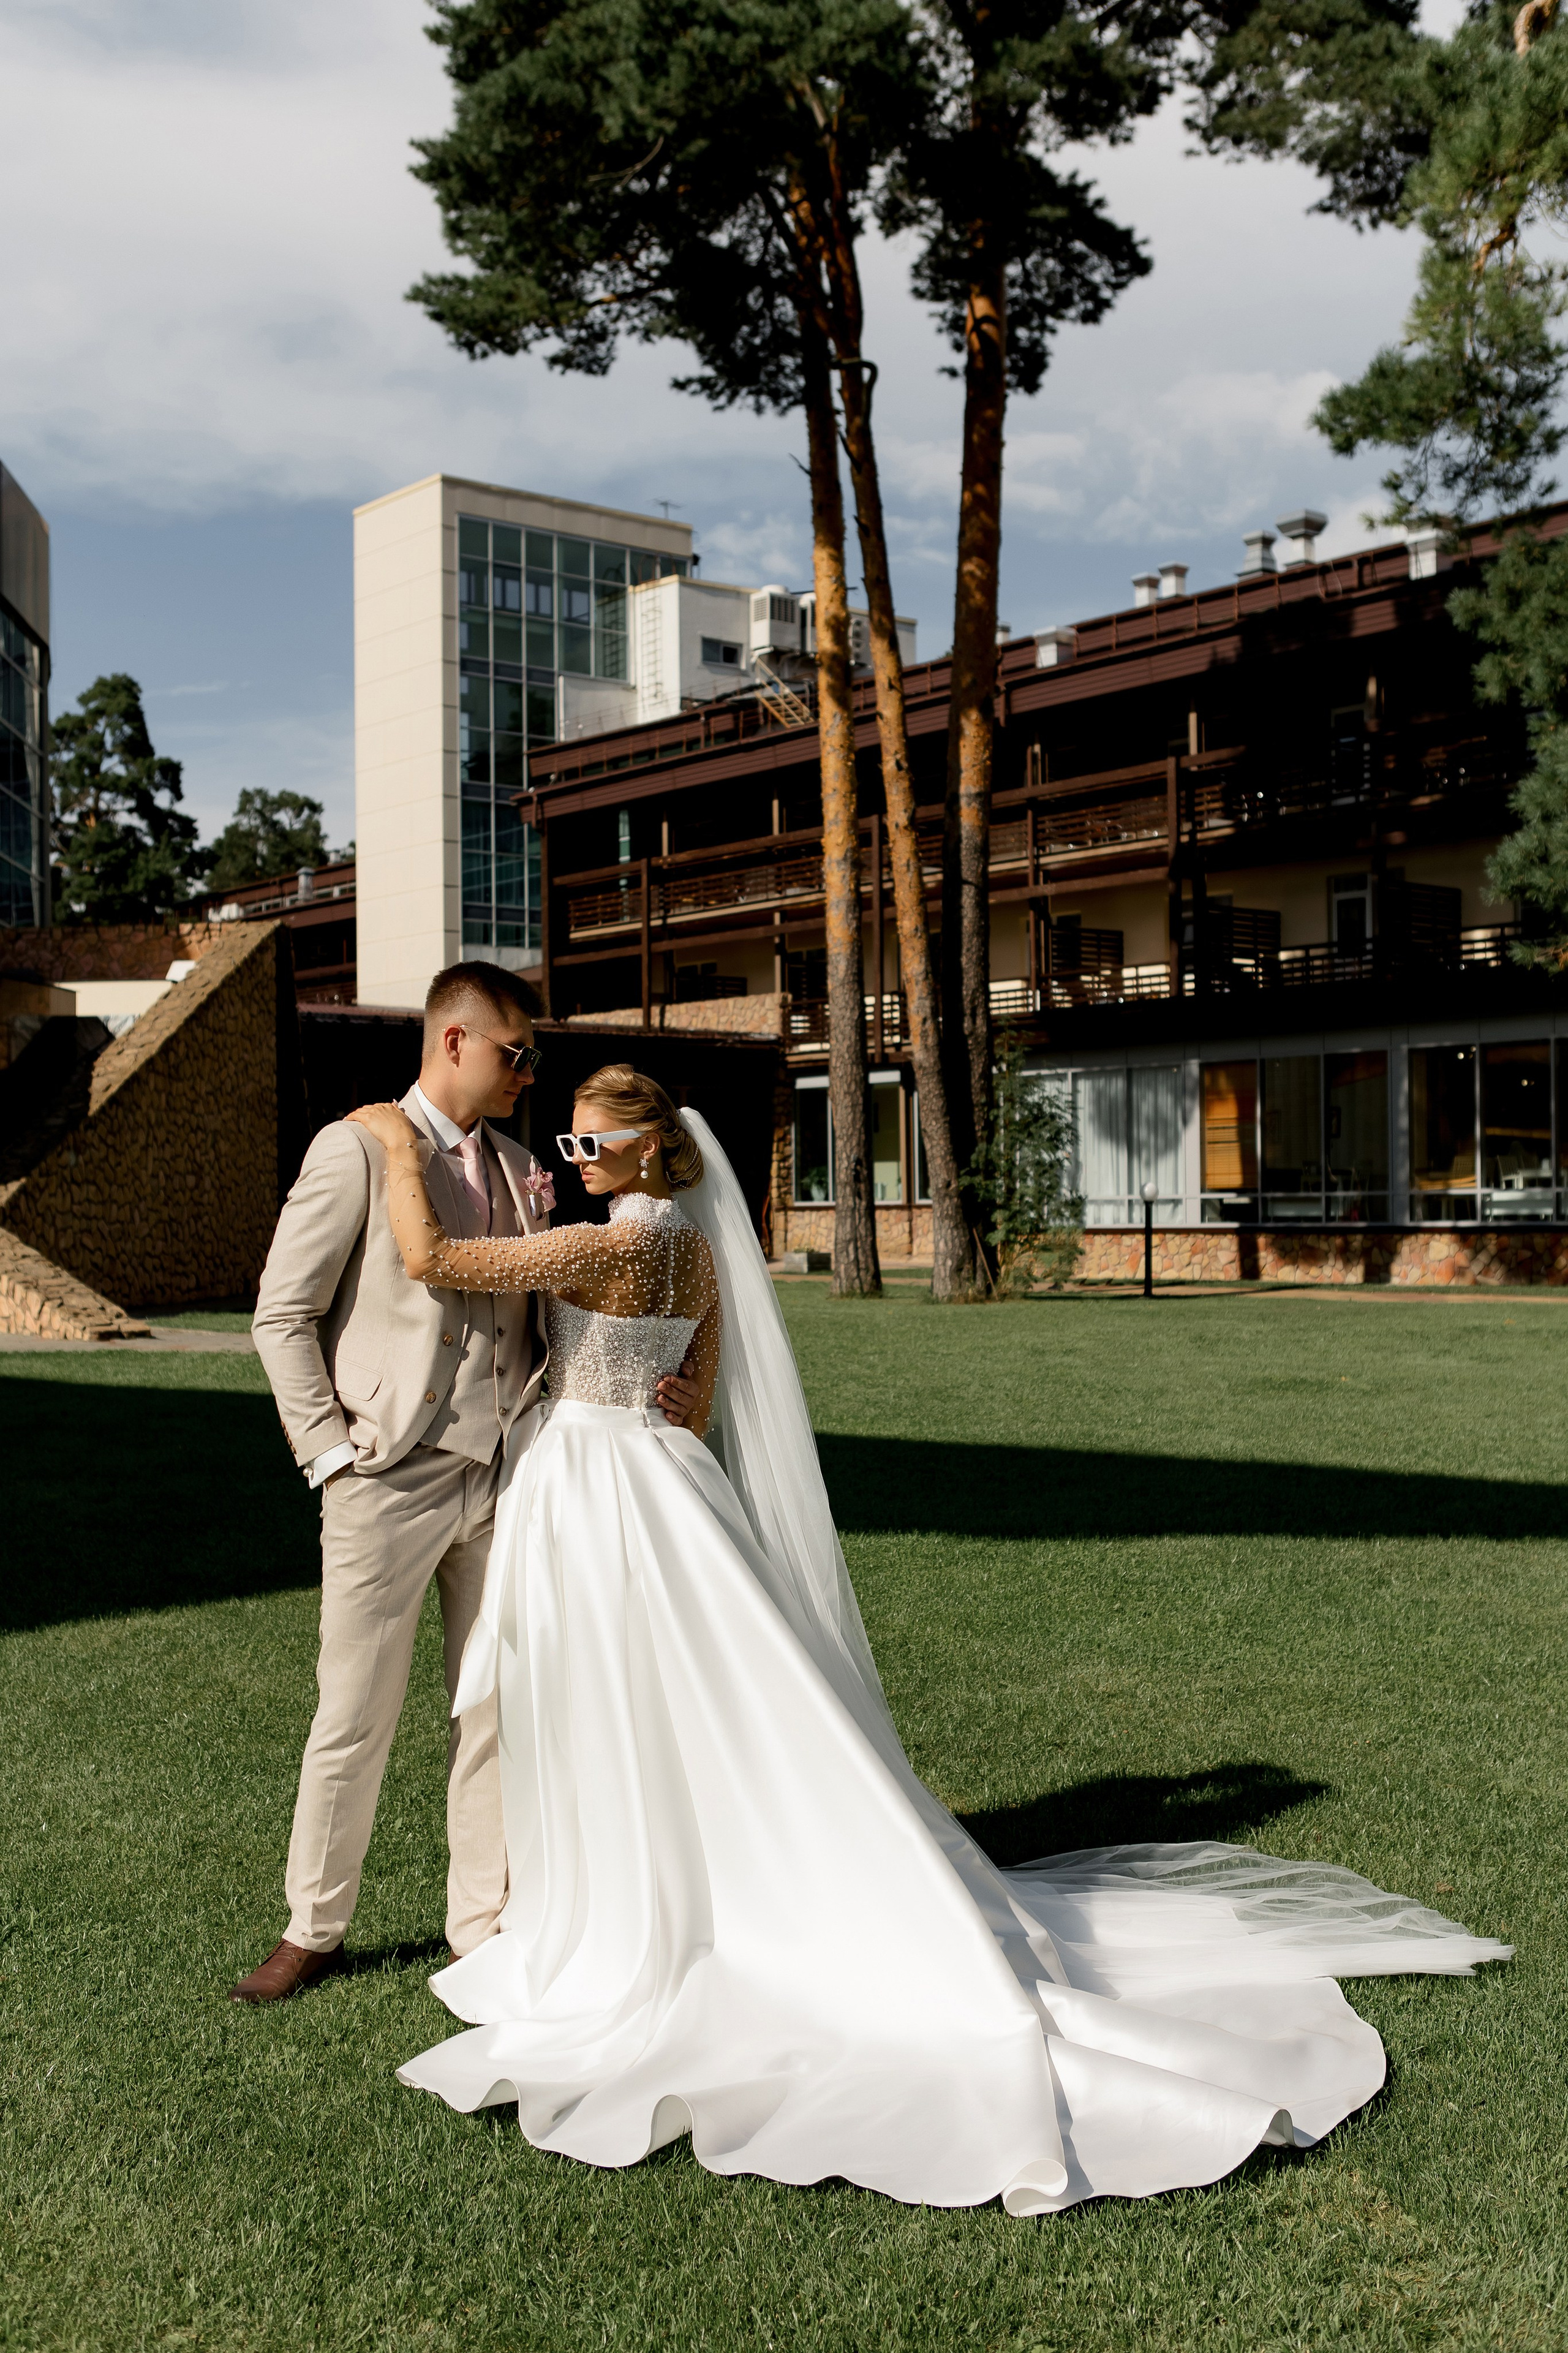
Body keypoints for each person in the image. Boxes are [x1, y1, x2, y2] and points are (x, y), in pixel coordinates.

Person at [344, 1066, 1510, 2215]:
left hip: (599, 1488)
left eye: (587, 1149)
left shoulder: (611, 1246)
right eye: (566, 1148)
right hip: (662, 1483)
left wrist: (397, 1146)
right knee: (695, 1703)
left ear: (650, 1151)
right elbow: (695, 1392)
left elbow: (434, 1259)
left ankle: (633, 1917)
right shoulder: (693, 1253)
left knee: (620, 1707)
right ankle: (682, 1885)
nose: (571, 1164)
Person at [236, 964, 699, 2004]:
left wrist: (655, 1373)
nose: (528, 1073)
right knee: (353, 1710)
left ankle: (480, 1925)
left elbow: (560, 1312)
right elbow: (279, 1314)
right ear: (455, 1040)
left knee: (490, 1708)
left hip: (503, 1481)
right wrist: (329, 1451)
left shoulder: (530, 1169)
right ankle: (314, 1924)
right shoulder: (355, 1150)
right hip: (383, 1478)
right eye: (514, 1052)